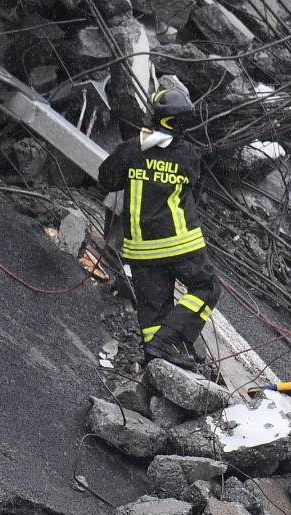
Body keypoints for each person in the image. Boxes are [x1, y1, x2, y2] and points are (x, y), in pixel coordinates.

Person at [97, 88, 220, 370]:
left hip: (140, 249)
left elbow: (107, 179)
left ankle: (158, 359)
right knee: (207, 288)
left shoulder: (131, 148)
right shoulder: (188, 156)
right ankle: (171, 340)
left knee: (153, 314)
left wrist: (138, 161)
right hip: (179, 245)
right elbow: (191, 182)